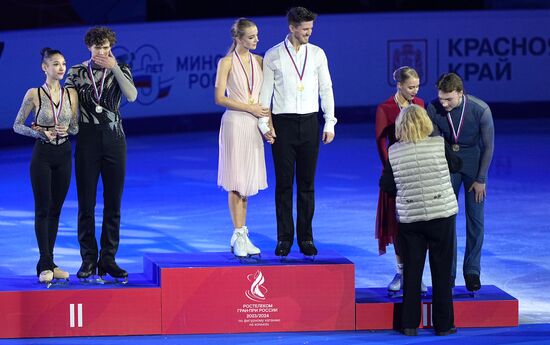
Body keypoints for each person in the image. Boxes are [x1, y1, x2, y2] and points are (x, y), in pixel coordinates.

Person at [259, 6, 337, 257]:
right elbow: (265, 94)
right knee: (283, 185)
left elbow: (326, 88)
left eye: (311, 29)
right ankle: (284, 238)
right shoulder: (273, 55)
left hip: (310, 123)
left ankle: (306, 238)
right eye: (305, 29)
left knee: (307, 184)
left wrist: (330, 121)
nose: (309, 33)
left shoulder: (317, 54)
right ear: (292, 28)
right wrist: (264, 124)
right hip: (283, 124)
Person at [380, 105, 460, 336]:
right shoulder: (438, 143)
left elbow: (386, 185)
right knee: (442, 272)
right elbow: (457, 165)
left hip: (411, 219)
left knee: (412, 273)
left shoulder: (394, 151)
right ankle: (444, 325)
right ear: (426, 122)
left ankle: (409, 324)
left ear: (400, 126)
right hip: (441, 215)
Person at [65, 26, 137, 282]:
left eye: (107, 48)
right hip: (86, 139)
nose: (103, 52)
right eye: (98, 48)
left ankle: (108, 258)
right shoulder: (75, 73)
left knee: (113, 202)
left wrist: (115, 67)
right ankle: (88, 259)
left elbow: (132, 95)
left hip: (115, 138)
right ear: (89, 48)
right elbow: (69, 108)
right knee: (86, 203)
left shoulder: (122, 69)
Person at [13, 48, 79, 285]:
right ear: (45, 68)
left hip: (64, 154)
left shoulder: (71, 94)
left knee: (56, 210)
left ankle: (50, 262)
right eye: (55, 64)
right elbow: (17, 125)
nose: (61, 68)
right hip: (42, 155)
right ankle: (44, 263)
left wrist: (67, 130)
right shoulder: (34, 94)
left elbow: (75, 127)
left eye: (63, 63)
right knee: (42, 209)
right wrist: (38, 133)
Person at [426, 73, 494, 292]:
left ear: (460, 93)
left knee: (475, 220)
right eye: (441, 98)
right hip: (448, 166)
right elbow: (435, 141)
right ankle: (449, 273)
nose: (444, 104)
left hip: (474, 168)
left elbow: (488, 147)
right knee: (447, 220)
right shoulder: (433, 108)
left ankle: (472, 271)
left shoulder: (480, 109)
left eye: (449, 99)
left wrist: (481, 179)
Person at [215, 18, 271, 258]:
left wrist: (268, 125)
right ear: (237, 38)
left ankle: (243, 233)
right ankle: (237, 233)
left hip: (253, 125)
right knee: (237, 182)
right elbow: (219, 98)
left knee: (247, 183)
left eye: (257, 36)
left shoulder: (260, 61)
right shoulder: (226, 62)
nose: (256, 40)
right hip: (235, 123)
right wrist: (249, 109)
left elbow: (264, 99)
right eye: (251, 37)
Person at [374, 66, 428, 295]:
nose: (415, 91)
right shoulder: (385, 108)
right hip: (395, 172)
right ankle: (402, 271)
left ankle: (417, 275)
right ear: (399, 85)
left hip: (418, 171)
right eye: (410, 87)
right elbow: (380, 142)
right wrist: (391, 167)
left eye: (417, 86)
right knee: (397, 224)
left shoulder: (421, 105)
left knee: (417, 223)